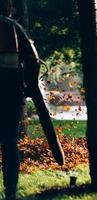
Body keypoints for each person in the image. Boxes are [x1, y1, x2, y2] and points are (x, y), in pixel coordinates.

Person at [0, 1, 23, 199]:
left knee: (9, 142)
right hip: (12, 92)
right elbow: (32, 60)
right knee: (10, 142)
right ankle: (11, 191)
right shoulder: (15, 28)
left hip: (11, 91)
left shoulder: (13, 28)